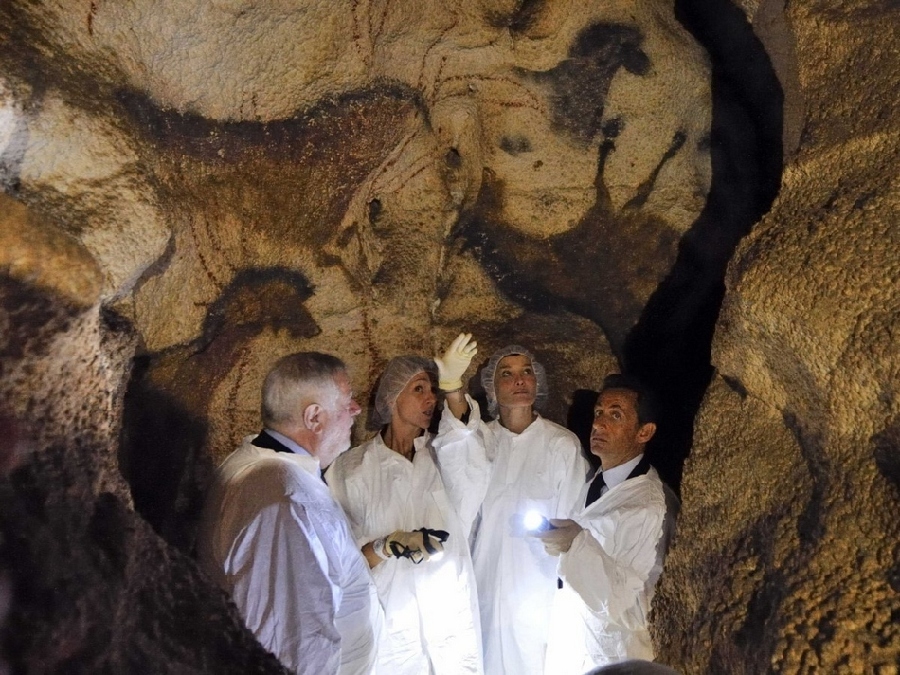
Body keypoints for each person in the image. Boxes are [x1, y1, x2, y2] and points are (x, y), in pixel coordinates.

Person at [197, 352, 383, 675]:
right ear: (314, 418)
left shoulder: (274, 473)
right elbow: (292, 643)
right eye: (347, 400)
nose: (356, 409)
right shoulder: (279, 500)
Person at [432, 338, 589, 675]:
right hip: (483, 583)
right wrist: (452, 388)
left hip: (540, 592)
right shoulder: (481, 442)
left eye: (527, 372)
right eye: (507, 373)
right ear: (492, 388)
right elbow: (456, 449)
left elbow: (575, 524)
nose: (520, 380)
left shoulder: (561, 445)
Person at [325, 354, 483, 675]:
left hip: (448, 623)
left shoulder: (442, 458)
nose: (430, 399)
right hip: (389, 627)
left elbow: (467, 457)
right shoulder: (351, 469)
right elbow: (335, 564)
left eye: (433, 391)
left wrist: (454, 389)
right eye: (419, 389)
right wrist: (386, 546)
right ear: (391, 397)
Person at [533, 373, 679, 671]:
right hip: (574, 648)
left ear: (644, 432)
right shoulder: (594, 482)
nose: (599, 423)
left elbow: (639, 611)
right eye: (599, 412)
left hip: (615, 659)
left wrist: (576, 546)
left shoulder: (650, 508)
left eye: (616, 415)